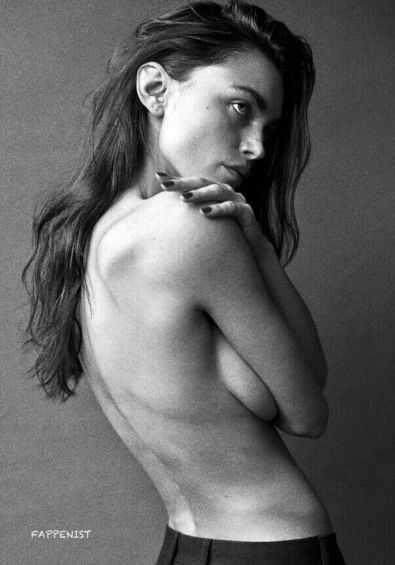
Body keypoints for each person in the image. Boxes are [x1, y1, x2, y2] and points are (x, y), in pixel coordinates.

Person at [23, 1, 348, 563]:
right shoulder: (190, 225)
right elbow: (309, 414)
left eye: (267, 129)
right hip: (271, 546)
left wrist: (259, 246)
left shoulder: (93, 235)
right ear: (156, 89)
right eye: (240, 107)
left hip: (183, 543)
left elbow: (305, 376)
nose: (256, 147)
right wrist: (254, 250)